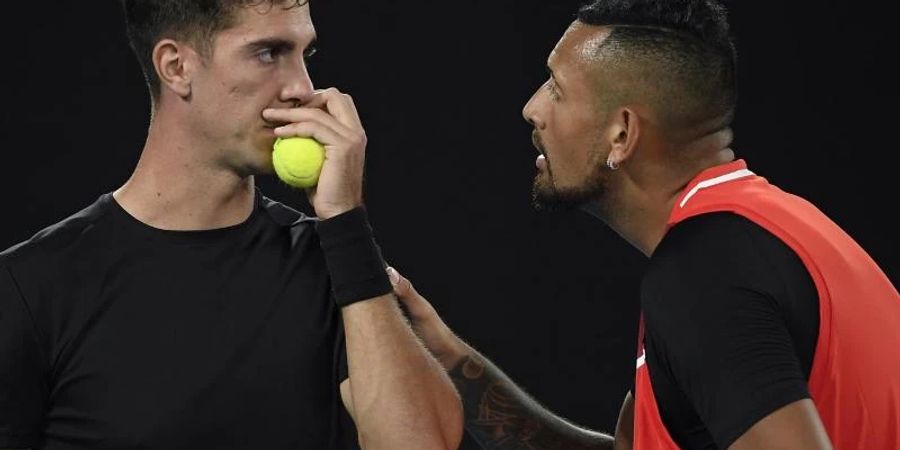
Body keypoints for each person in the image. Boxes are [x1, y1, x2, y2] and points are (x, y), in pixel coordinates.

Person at [389, 0, 900, 449]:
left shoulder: (704, 279)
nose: (532, 109)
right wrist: (451, 359)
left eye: (557, 89)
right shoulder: (773, 231)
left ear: (622, 134)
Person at [0, 1, 462, 449]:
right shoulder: (32, 287)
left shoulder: (337, 266)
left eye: (306, 55)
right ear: (176, 66)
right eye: (268, 53)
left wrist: (345, 219)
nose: (302, 87)